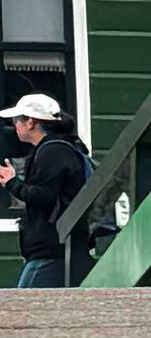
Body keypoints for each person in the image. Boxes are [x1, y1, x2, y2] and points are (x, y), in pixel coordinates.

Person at [9, 90, 90, 293]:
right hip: (55, 248)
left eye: (17, 120)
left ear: (31, 122)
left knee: (23, 305)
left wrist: (12, 183)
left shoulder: (53, 151)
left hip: (52, 249)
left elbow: (44, 196)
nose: (14, 125)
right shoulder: (59, 148)